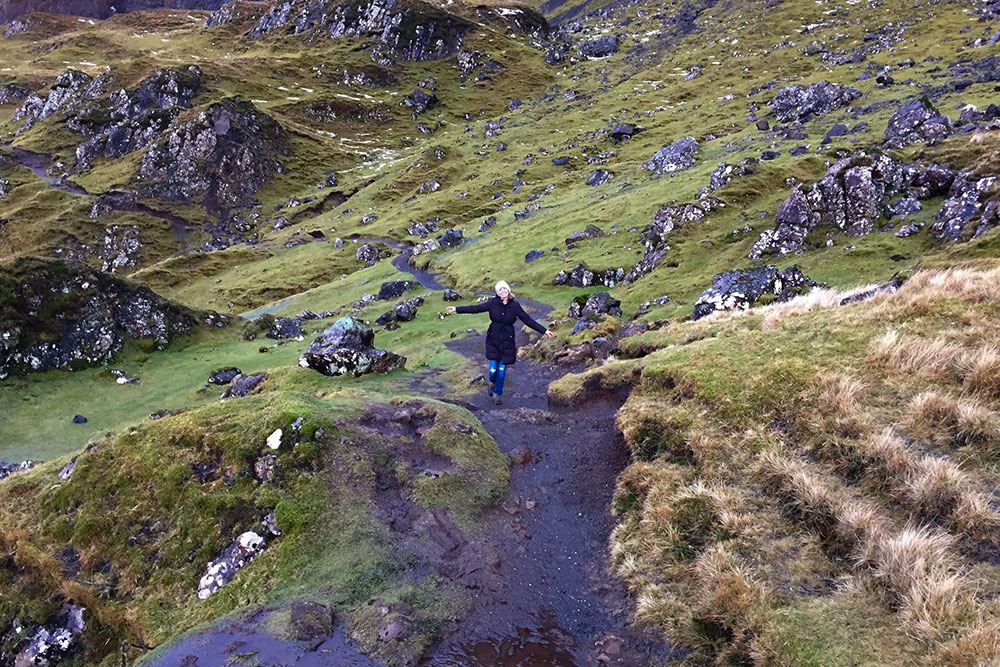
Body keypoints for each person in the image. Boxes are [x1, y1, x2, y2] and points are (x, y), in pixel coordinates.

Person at [446, 281, 555, 404]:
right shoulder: (493, 303)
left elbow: (528, 320)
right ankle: (492, 384)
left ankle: (497, 394)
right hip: (493, 339)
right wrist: (456, 309)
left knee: (502, 371)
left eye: (505, 289)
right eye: (500, 290)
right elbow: (475, 308)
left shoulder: (515, 306)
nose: (503, 292)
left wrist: (545, 331)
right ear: (498, 293)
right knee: (493, 370)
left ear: (508, 291)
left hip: (507, 342)